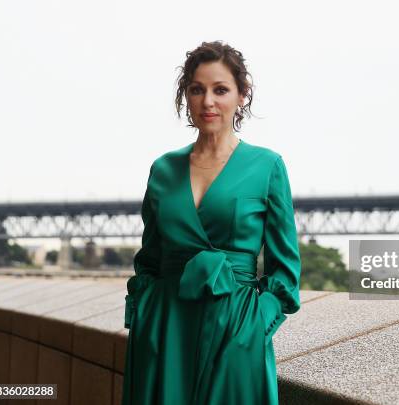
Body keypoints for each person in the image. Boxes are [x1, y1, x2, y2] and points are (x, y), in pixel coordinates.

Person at [121, 40, 301, 405]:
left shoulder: (267, 167)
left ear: (241, 96)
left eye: (220, 90)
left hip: (236, 330)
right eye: (197, 89)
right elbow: (150, 260)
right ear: (185, 96)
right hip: (164, 331)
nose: (208, 102)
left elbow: (285, 272)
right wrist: (145, 318)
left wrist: (254, 326)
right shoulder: (163, 169)